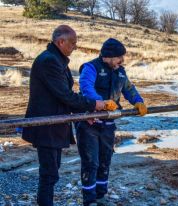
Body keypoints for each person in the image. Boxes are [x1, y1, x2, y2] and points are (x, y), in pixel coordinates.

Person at [22, 25, 106, 206]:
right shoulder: (49, 61)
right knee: (49, 173)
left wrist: (84, 114)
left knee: (52, 171)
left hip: (56, 124)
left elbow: (64, 95)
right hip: (46, 125)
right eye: (73, 43)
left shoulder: (59, 60)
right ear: (61, 42)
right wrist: (93, 104)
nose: (75, 47)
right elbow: (64, 95)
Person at [76, 38, 147, 206]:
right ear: (108, 56)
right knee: (91, 162)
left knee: (105, 160)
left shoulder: (120, 71)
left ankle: (101, 195)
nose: (122, 60)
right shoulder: (90, 68)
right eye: (119, 57)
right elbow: (86, 87)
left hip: (108, 125)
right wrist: (101, 102)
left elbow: (129, 89)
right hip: (89, 124)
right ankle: (89, 199)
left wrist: (138, 101)